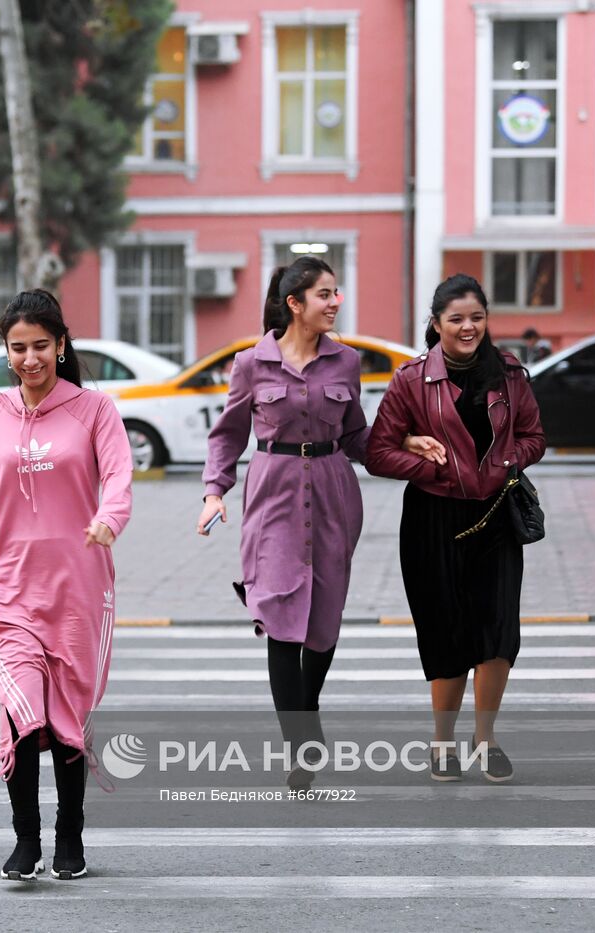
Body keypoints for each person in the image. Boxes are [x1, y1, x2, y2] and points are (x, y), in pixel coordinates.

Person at [0, 289, 133, 882]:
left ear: (61, 346)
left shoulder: (94, 410)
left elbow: (118, 476)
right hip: (10, 589)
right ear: (5, 352)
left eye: (41, 346)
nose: (30, 358)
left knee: (65, 717)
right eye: (18, 348)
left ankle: (70, 837)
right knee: (20, 715)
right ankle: (24, 840)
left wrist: (109, 521)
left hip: (80, 588)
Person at [196, 256, 370, 790]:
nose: (335, 302)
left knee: (323, 617)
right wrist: (213, 492)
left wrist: (409, 450)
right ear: (295, 304)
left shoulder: (347, 362)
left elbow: (359, 435)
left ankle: (307, 711)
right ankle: (301, 742)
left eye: (336, 292)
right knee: (277, 614)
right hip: (272, 494)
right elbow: (227, 435)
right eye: (324, 294)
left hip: (334, 491)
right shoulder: (251, 363)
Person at [366, 273, 546, 783]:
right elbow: (378, 451)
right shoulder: (411, 380)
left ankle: (485, 740)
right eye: (457, 319)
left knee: (496, 631)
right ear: (436, 323)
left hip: (495, 516)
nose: (468, 328)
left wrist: (512, 457)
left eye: (477, 318)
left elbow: (534, 435)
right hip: (432, 519)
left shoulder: (510, 375)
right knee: (444, 631)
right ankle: (442, 743)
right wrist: (430, 467)